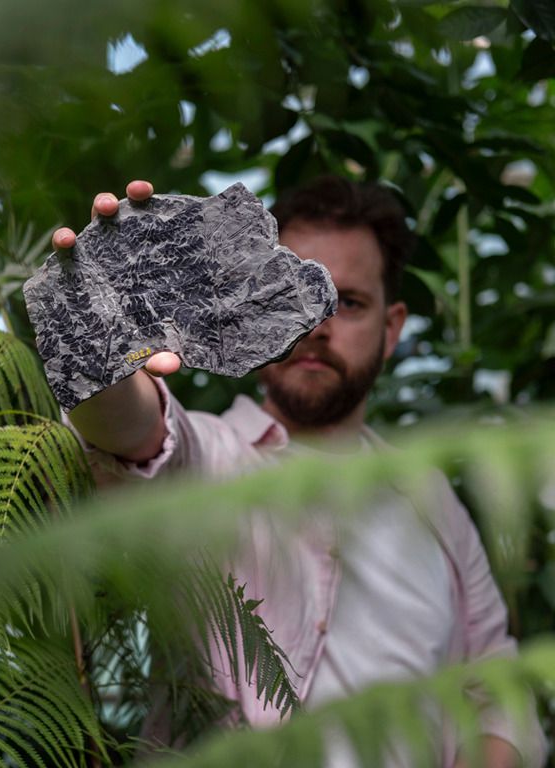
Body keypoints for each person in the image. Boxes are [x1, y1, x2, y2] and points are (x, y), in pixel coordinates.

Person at [50, 176, 545, 767]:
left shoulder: (433, 502)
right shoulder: (210, 458)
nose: (316, 324)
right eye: (288, 290)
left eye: (350, 302)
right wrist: (94, 342)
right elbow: (133, 432)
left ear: (392, 330)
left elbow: (493, 683)